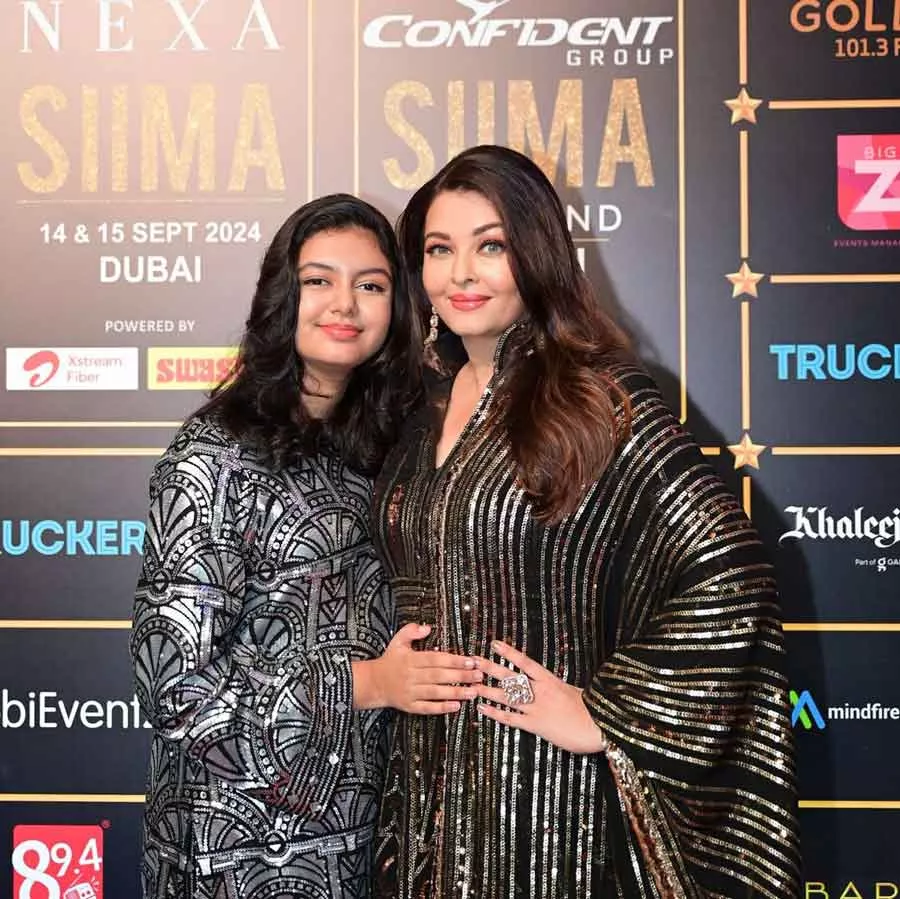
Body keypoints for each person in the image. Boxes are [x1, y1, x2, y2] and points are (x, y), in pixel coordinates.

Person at [371, 146, 800, 898]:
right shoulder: (419, 405)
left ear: (536, 254)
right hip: (418, 791)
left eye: (490, 246)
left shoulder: (595, 396)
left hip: (543, 800)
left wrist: (604, 714)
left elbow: (728, 572)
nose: (460, 273)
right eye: (439, 249)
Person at [130, 194, 482, 899]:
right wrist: (368, 683)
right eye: (319, 280)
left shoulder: (389, 445)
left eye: (371, 285)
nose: (344, 304)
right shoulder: (213, 458)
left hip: (367, 842)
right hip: (234, 854)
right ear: (281, 296)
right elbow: (176, 693)